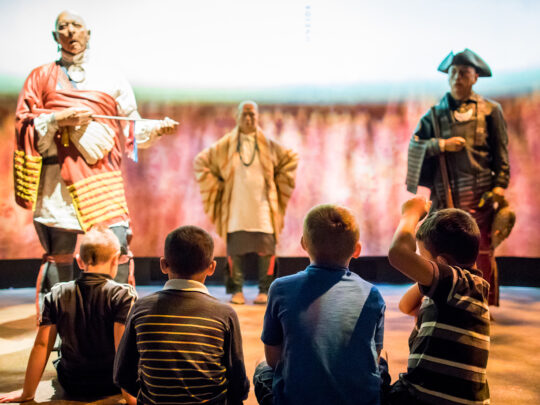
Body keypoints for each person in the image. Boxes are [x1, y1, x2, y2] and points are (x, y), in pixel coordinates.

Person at [13, 10, 178, 314]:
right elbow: (24, 123)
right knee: (59, 256)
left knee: (114, 250)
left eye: (77, 26)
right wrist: (57, 119)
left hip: (101, 180)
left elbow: (130, 125)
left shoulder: (112, 77)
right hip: (57, 183)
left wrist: (157, 128)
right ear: (55, 37)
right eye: (63, 27)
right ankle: (56, 325)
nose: (71, 32)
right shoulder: (39, 77)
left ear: (88, 34)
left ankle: (116, 321)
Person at [406, 48, 510, 306]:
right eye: (453, 72)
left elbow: (501, 155)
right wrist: (441, 145)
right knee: (438, 250)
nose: (457, 78)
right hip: (445, 195)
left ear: (475, 77)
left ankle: (479, 303)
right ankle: (438, 299)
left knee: (481, 253)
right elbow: (415, 145)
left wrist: (498, 188)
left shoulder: (490, 111)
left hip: (480, 197)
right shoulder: (434, 115)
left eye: (463, 73)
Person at [253, 204, 386, 405]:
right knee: (382, 364)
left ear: (303, 243)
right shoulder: (372, 294)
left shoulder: (280, 288)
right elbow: (373, 358)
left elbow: (274, 360)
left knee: (262, 369)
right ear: (357, 250)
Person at [114, 225, 250, 404]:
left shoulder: (141, 308)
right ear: (212, 267)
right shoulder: (224, 314)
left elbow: (122, 374)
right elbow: (238, 383)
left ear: (163, 264)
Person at [0, 227, 137, 403]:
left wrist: (27, 393)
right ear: (115, 259)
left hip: (72, 382)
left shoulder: (57, 293)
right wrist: (130, 398)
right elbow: (122, 349)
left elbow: (42, 345)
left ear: (79, 261)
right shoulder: (123, 295)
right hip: (110, 383)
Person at [385, 196, 490, 405]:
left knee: (376, 370)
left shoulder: (456, 281)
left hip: (423, 397)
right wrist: (427, 269)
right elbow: (405, 306)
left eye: (421, 257)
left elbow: (397, 254)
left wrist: (411, 213)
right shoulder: (467, 287)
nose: (417, 263)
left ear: (442, 263)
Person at [194, 101, 298, 305]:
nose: (249, 119)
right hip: (236, 208)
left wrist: (276, 183)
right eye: (245, 115)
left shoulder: (268, 145)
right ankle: (237, 291)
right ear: (238, 117)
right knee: (236, 251)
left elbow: (291, 159)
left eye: (252, 115)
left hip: (263, 208)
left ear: (257, 118)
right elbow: (201, 161)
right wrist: (219, 186)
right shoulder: (226, 144)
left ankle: (264, 291)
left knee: (267, 249)